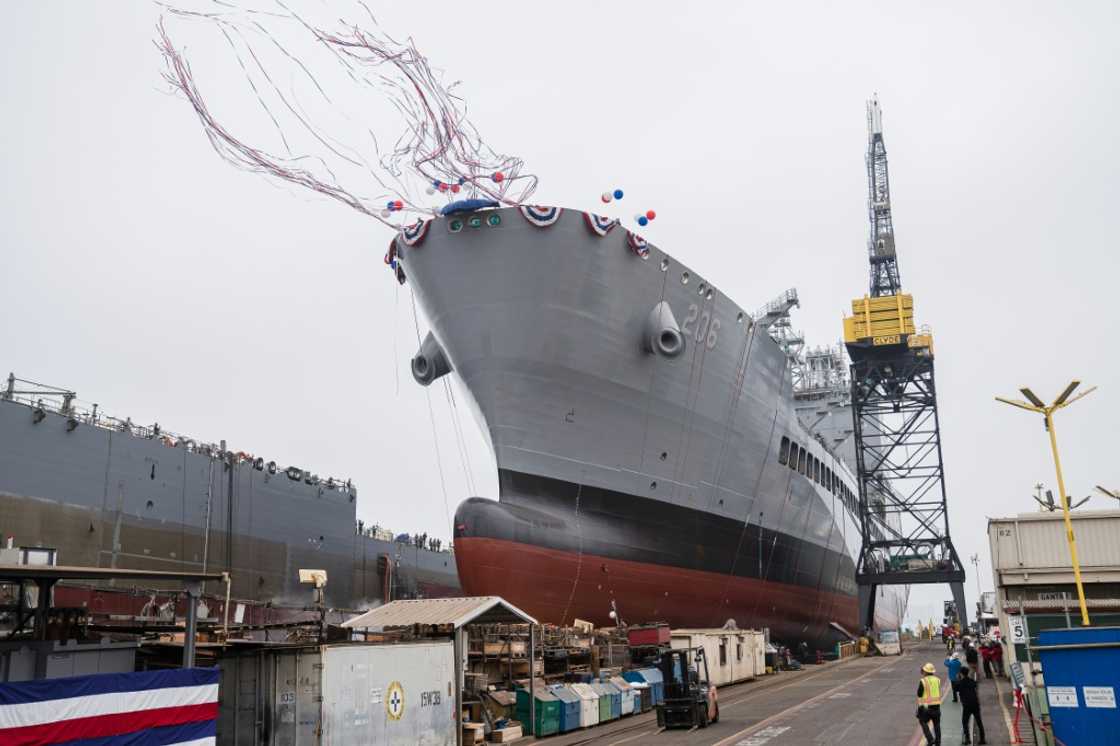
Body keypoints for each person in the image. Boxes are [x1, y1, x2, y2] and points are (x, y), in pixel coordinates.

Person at [957, 665, 987, 744]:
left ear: (961, 674)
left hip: (967, 705)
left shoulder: (960, 683)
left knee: (964, 722)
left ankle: (967, 739)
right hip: (975, 703)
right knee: (979, 721)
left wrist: (959, 679)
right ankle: (982, 739)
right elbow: (975, 685)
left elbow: (956, 689)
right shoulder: (972, 681)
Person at [916, 662, 943, 746]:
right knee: (937, 726)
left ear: (925, 672)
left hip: (926, 708)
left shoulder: (923, 681)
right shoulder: (937, 680)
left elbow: (919, 694)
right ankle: (938, 743)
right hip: (937, 707)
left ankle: (930, 739)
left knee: (923, 722)